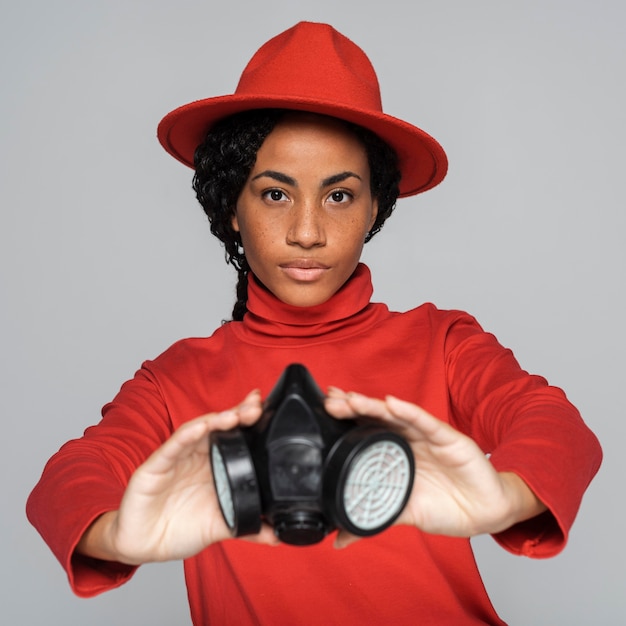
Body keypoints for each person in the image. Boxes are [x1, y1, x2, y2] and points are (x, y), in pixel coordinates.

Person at [26, 21, 602, 625]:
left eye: (339, 196)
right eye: (276, 194)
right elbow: (69, 480)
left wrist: (501, 499)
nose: (307, 232)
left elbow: (557, 428)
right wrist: (116, 536)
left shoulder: (444, 343)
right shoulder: (173, 381)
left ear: (375, 206)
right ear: (231, 207)